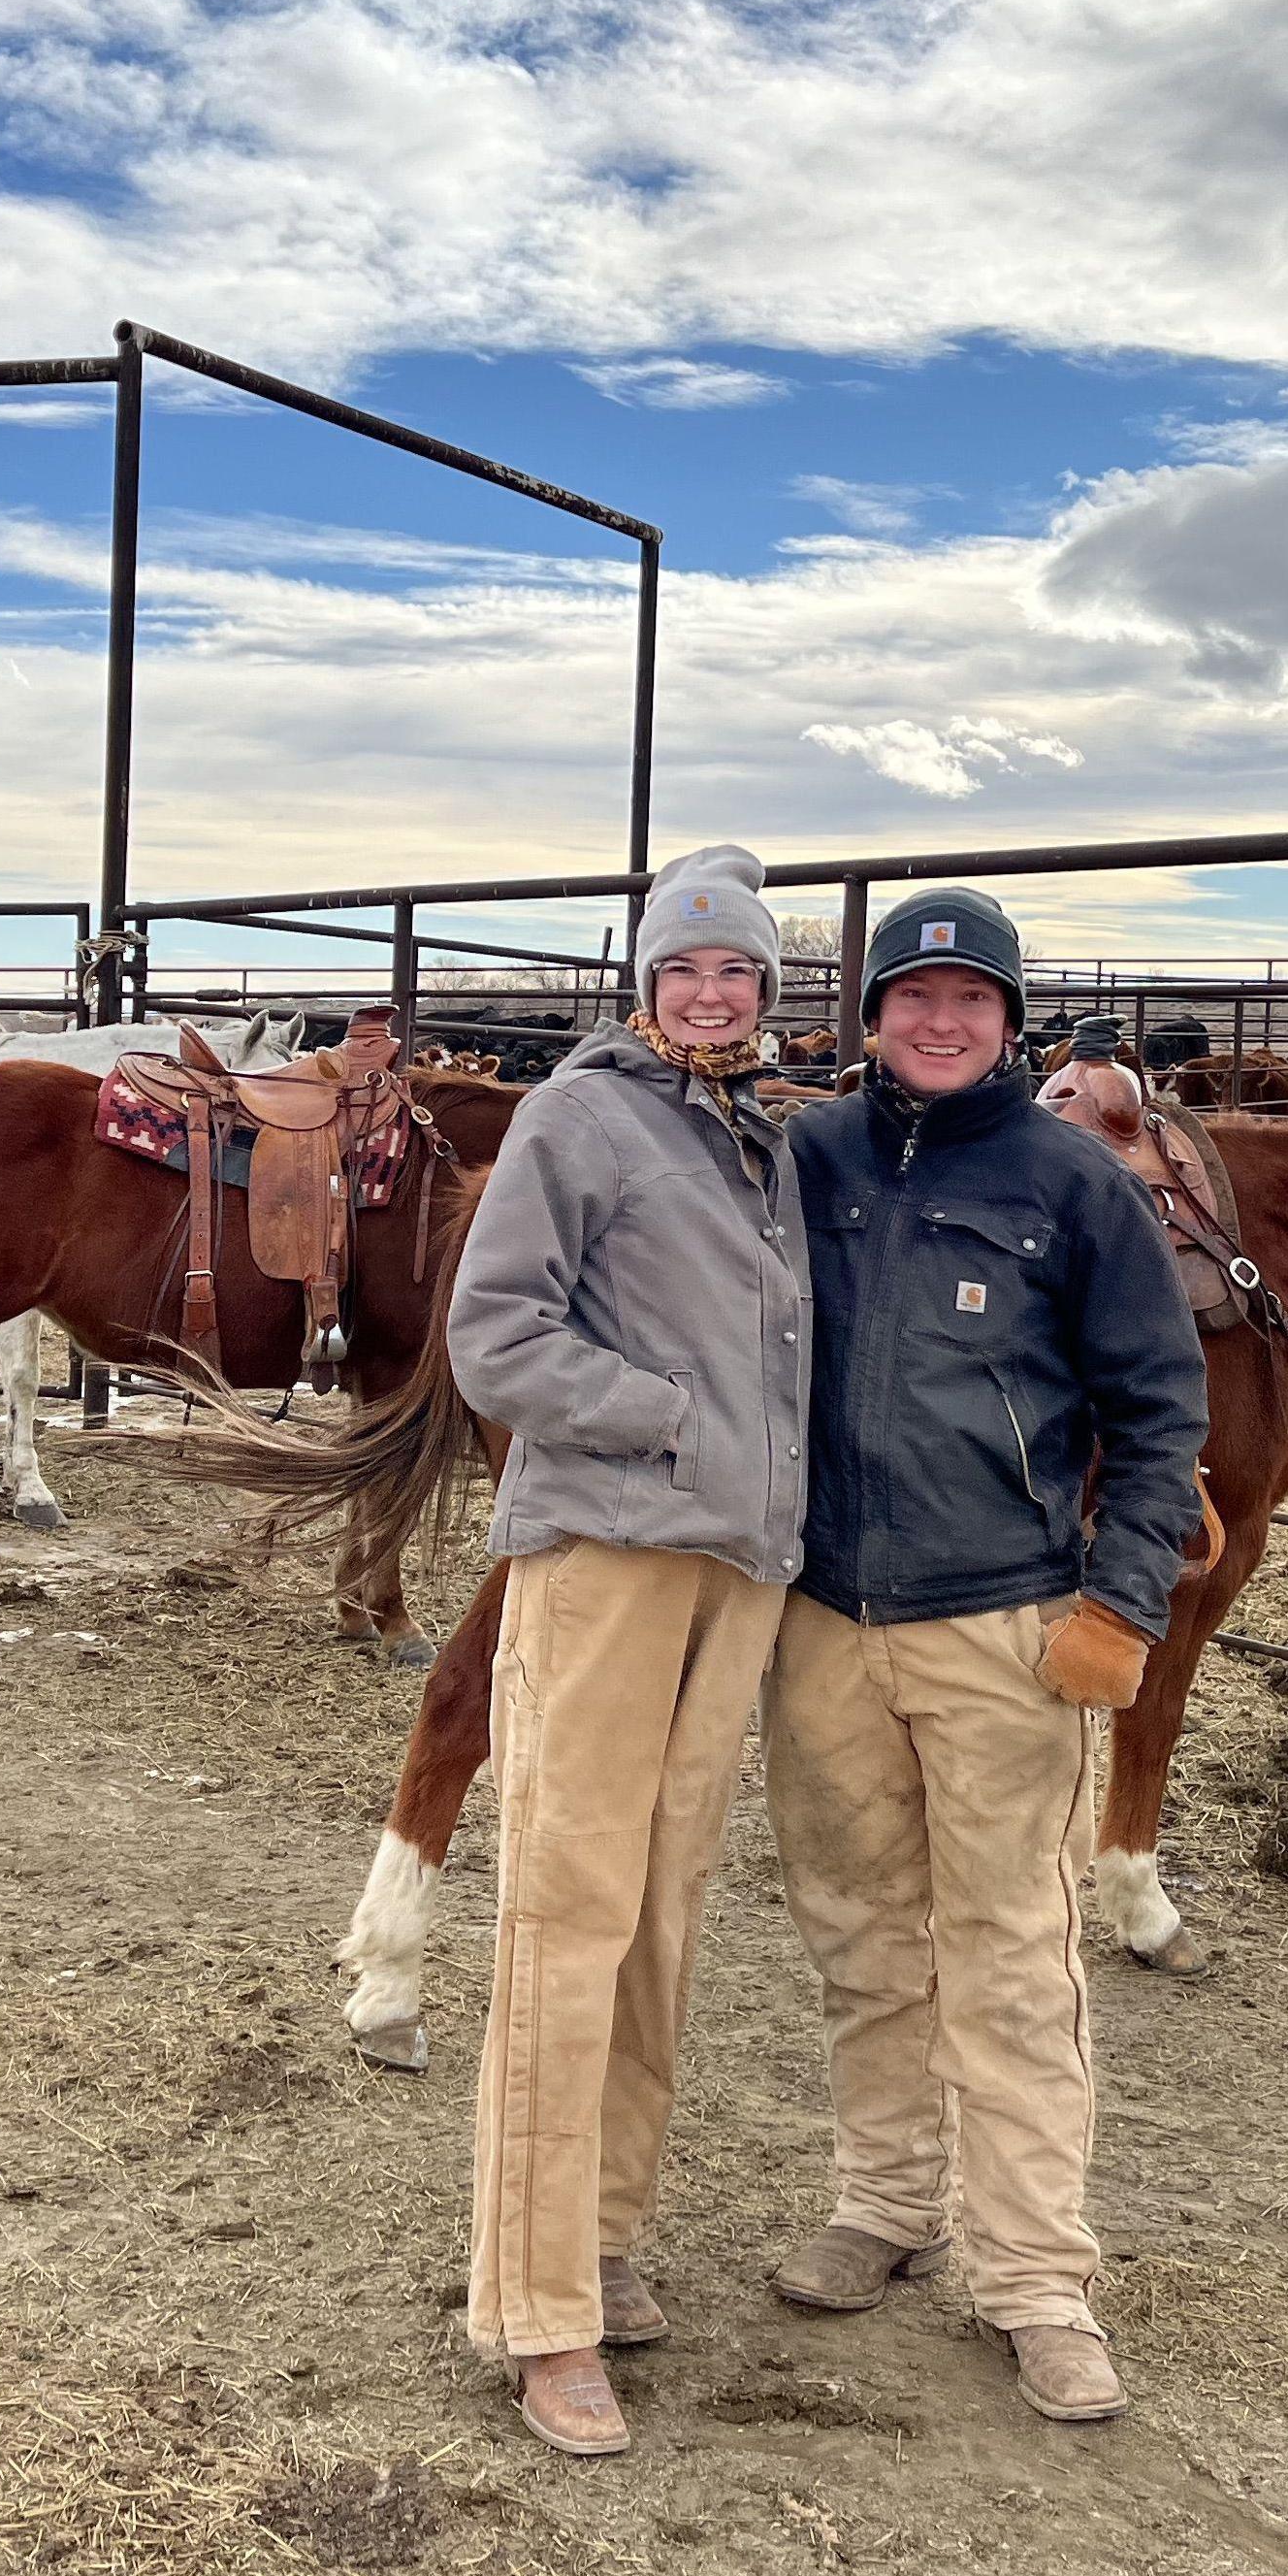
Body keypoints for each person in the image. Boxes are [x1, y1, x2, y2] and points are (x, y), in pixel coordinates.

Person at [767, 887, 1208, 2425]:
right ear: (870, 1014)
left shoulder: (1071, 1184)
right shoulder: (802, 1158)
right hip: (822, 1619)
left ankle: (1033, 2275)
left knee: (1015, 1953)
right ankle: (884, 2200)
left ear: (1013, 1021)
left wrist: (1124, 1598)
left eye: (973, 999)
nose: (942, 1020)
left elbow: (1162, 1408)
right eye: (914, 995)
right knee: (858, 1927)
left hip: (1002, 1624)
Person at [444, 843, 810, 2457]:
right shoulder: (578, 1118)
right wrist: (660, 1423)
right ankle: (537, 2309)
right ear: (645, 979)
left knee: (663, 1903)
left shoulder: (764, 1139)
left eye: (738, 970)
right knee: (569, 1899)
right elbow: (494, 1332)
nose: (712, 990)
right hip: (606, 1550)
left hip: (736, 1567)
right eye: (686, 965)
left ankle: (607, 2227)